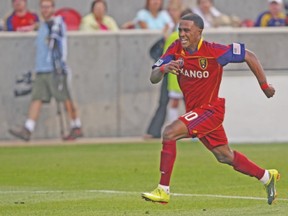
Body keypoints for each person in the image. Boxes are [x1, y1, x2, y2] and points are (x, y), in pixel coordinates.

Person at [141, 13, 280, 205]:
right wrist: (164, 69)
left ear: (199, 32)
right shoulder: (174, 49)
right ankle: (266, 176)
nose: (182, 34)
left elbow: (249, 55)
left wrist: (264, 86)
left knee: (169, 133)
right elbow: (153, 77)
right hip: (196, 112)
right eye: (180, 29)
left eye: (186, 30)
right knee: (224, 156)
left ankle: (163, 190)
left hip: (210, 110)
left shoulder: (214, 51)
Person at [9, 0, 83, 141]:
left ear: (53, 8)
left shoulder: (56, 24)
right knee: (37, 98)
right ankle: (28, 128)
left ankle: (76, 125)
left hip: (55, 69)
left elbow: (57, 42)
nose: (45, 10)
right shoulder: (42, 26)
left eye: (48, 7)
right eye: (43, 7)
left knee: (65, 98)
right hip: (42, 68)